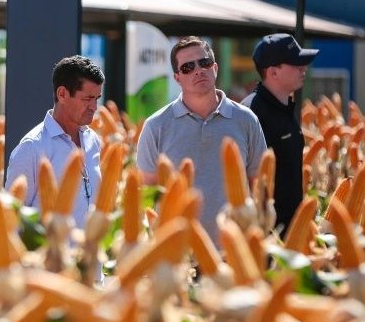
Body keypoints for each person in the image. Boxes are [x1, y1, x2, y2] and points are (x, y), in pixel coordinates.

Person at [136, 36, 266, 243]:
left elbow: (259, 184)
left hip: (235, 250)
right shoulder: (156, 126)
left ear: (215, 67)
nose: (198, 70)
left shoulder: (246, 120)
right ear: (177, 78)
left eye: (204, 62)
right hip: (179, 255)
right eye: (187, 67)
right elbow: (147, 194)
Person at [5, 55, 105, 227]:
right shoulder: (32, 147)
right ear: (62, 94)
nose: (94, 107)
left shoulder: (94, 141)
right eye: (87, 99)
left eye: (96, 98)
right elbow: (11, 216)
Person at [242, 33, 318, 234]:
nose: (303, 68)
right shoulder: (251, 113)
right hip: (265, 234)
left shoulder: (285, 109)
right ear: (273, 72)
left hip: (291, 232)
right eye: (295, 64)